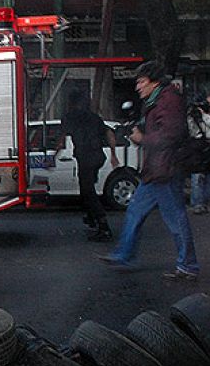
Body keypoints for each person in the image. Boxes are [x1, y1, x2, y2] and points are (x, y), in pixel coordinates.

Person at [99, 61, 199, 281]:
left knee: (175, 218)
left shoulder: (168, 101)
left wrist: (142, 138)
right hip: (155, 168)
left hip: (166, 168)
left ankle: (188, 266)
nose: (137, 87)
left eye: (141, 81)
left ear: (154, 82)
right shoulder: (157, 101)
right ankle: (124, 254)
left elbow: (171, 134)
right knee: (135, 211)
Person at [57, 90, 119, 242]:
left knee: (87, 191)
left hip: (85, 158)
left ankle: (103, 225)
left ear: (70, 103)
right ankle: (91, 217)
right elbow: (109, 133)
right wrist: (113, 154)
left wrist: (53, 155)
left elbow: (62, 139)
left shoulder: (69, 117)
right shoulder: (94, 117)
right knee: (88, 187)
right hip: (98, 157)